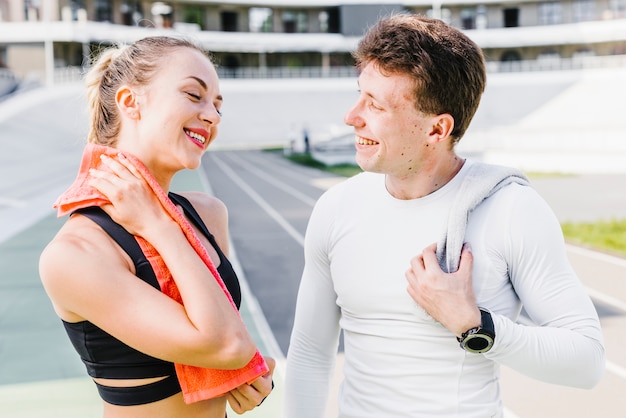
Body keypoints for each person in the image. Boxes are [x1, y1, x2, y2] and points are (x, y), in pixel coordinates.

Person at [284, 13, 604, 417]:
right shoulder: (336, 207)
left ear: (437, 130)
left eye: (375, 105)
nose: (351, 116)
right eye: (359, 94)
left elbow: (587, 361)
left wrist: (474, 325)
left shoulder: (510, 210)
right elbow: (311, 355)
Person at [39, 36, 274, 417]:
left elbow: (228, 338)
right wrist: (161, 227)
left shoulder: (208, 214)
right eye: (194, 95)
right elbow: (227, 345)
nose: (213, 116)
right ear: (131, 103)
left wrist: (247, 377)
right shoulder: (75, 254)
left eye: (217, 105)